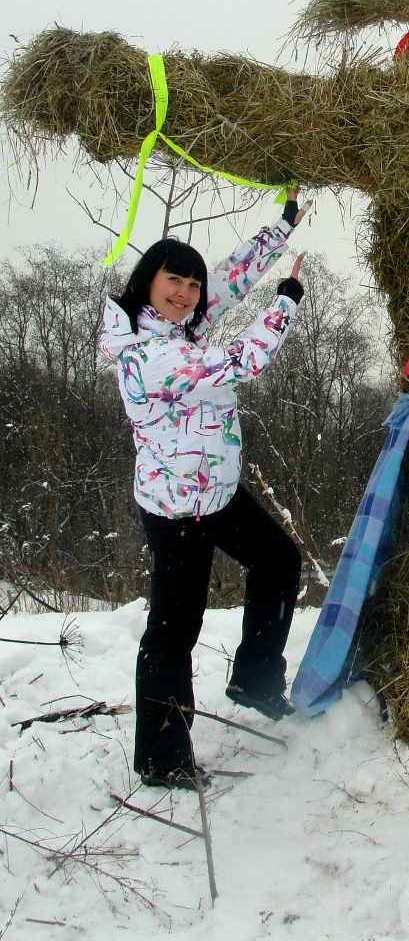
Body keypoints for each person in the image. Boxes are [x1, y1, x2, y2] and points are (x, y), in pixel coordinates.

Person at [99, 190, 309, 790]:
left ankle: (255, 680)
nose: (187, 293)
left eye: (191, 285)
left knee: (278, 560)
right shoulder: (147, 354)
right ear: (147, 283)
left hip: (215, 492)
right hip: (177, 508)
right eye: (174, 281)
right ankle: (162, 757)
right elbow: (244, 362)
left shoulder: (181, 325)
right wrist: (287, 302)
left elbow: (232, 278)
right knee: (174, 629)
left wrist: (283, 226)